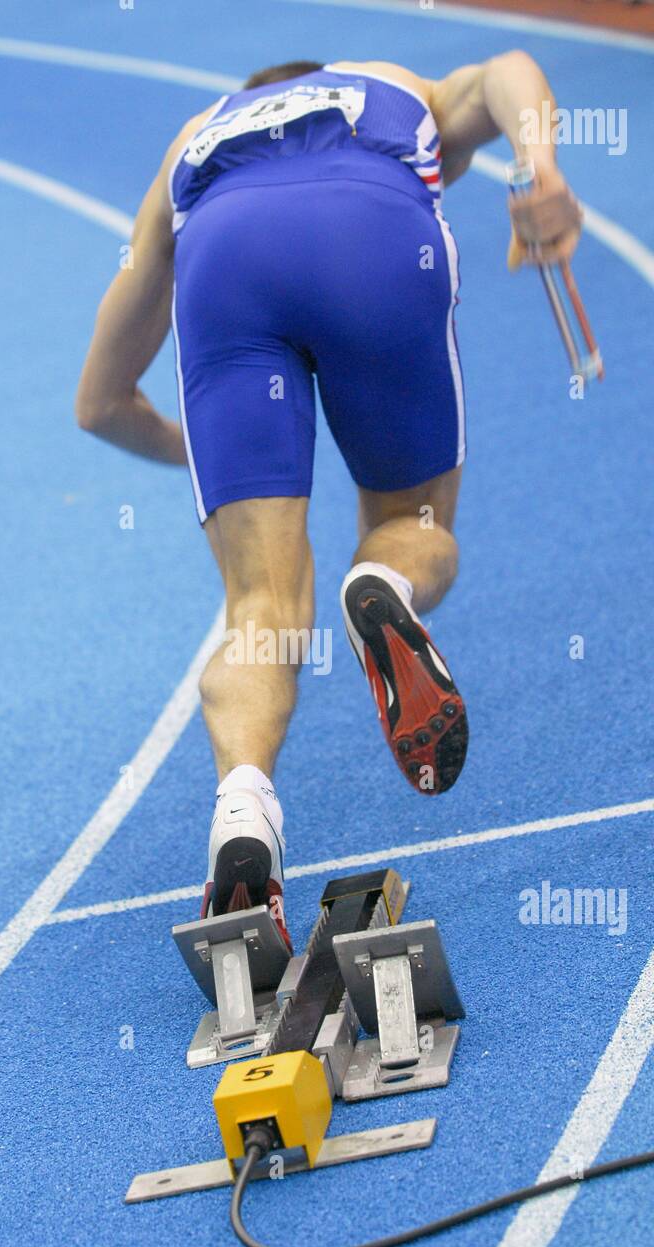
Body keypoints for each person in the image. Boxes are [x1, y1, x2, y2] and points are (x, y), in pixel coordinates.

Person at [76, 53, 582, 947]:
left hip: (226, 258)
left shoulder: (193, 143)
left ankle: (244, 809)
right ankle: (381, 577)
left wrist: (218, 451)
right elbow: (508, 72)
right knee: (413, 524)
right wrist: (539, 169)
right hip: (373, 231)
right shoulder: (389, 84)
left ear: (253, 95)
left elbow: (101, 404)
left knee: (259, 606)